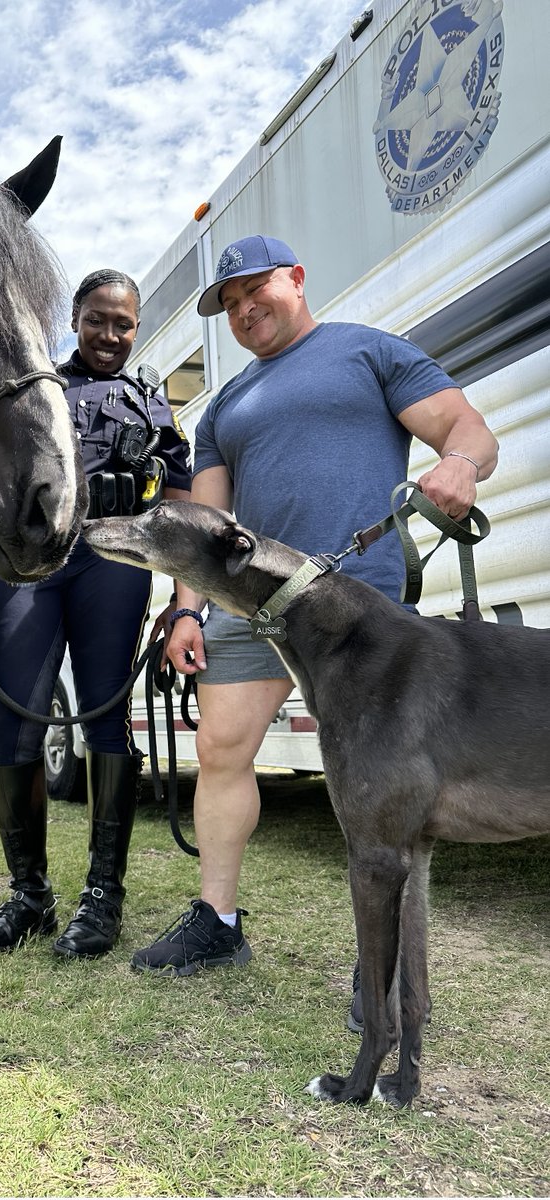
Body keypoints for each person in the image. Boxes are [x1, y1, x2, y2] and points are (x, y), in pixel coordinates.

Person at [131, 235, 498, 1025]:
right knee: (221, 751)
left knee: (379, 789)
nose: (242, 309)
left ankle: (385, 972)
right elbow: (206, 526)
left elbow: (467, 429)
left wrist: (460, 466)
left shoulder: (370, 354)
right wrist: (187, 607)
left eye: (254, 289)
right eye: (228, 303)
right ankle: (217, 922)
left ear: (297, 279)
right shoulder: (224, 405)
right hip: (252, 606)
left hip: (355, 603)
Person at [0, 269, 191, 960]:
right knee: (14, 723)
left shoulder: (150, 404)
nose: (110, 334)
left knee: (105, 718)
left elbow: (179, 493)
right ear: (75, 319)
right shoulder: (31, 387)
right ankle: (30, 899)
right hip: (25, 564)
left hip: (111, 566)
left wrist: (183, 590)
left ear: (135, 328)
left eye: (124, 323)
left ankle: (102, 899)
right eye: (98, 320)